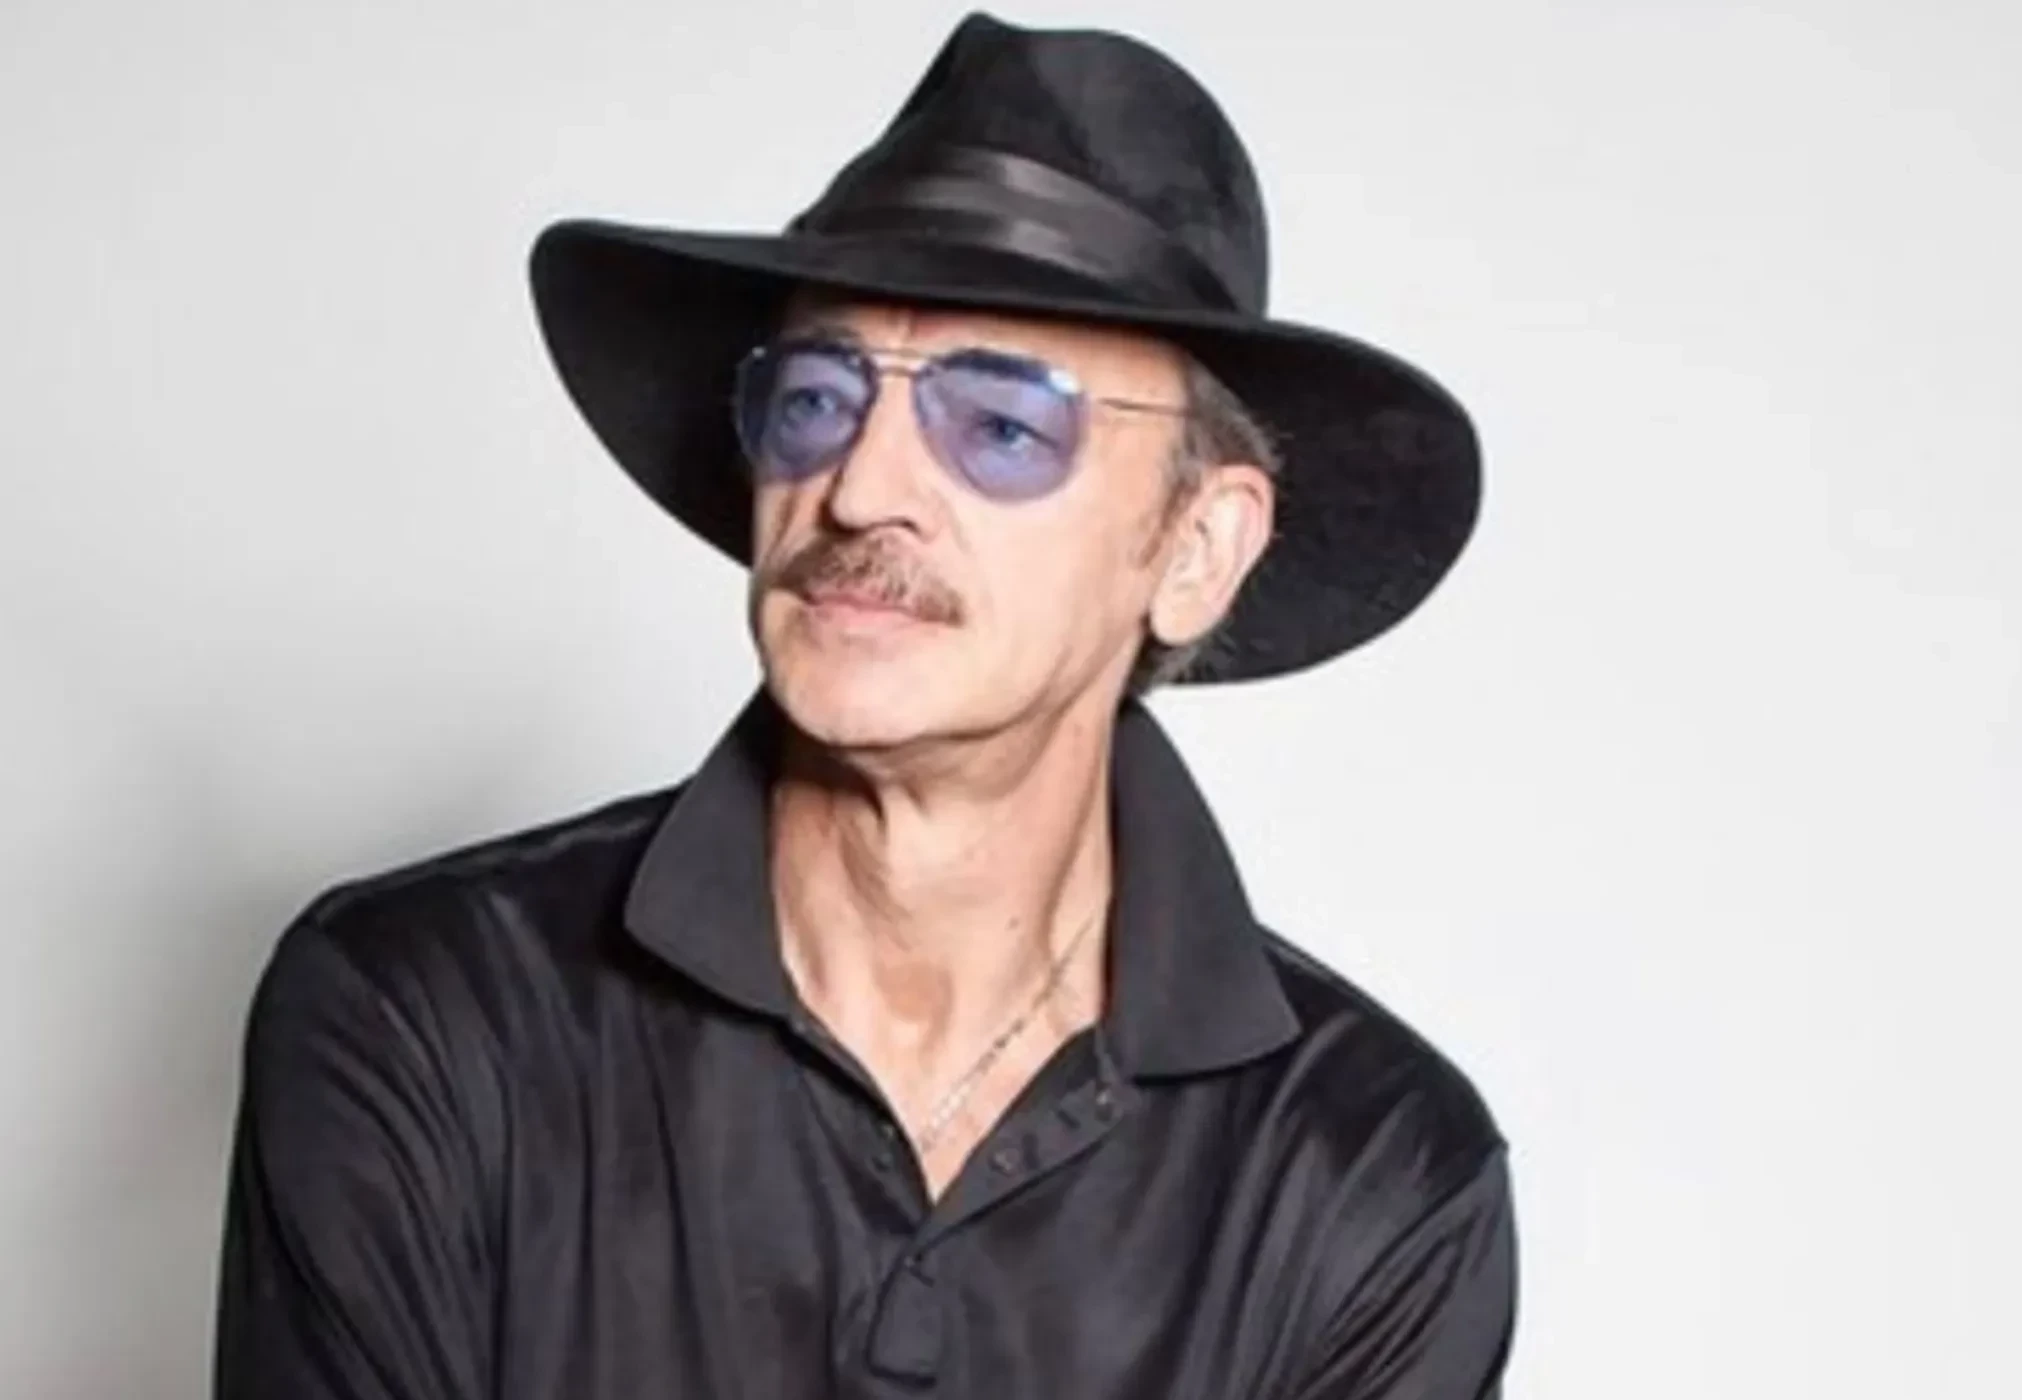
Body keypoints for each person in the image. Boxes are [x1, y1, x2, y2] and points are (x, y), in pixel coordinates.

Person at [212, 12, 1515, 1399]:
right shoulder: (426, 1016)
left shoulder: (1373, 1176)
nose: (859, 489)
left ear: (1194, 549)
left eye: (1001, 426)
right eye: (816, 401)